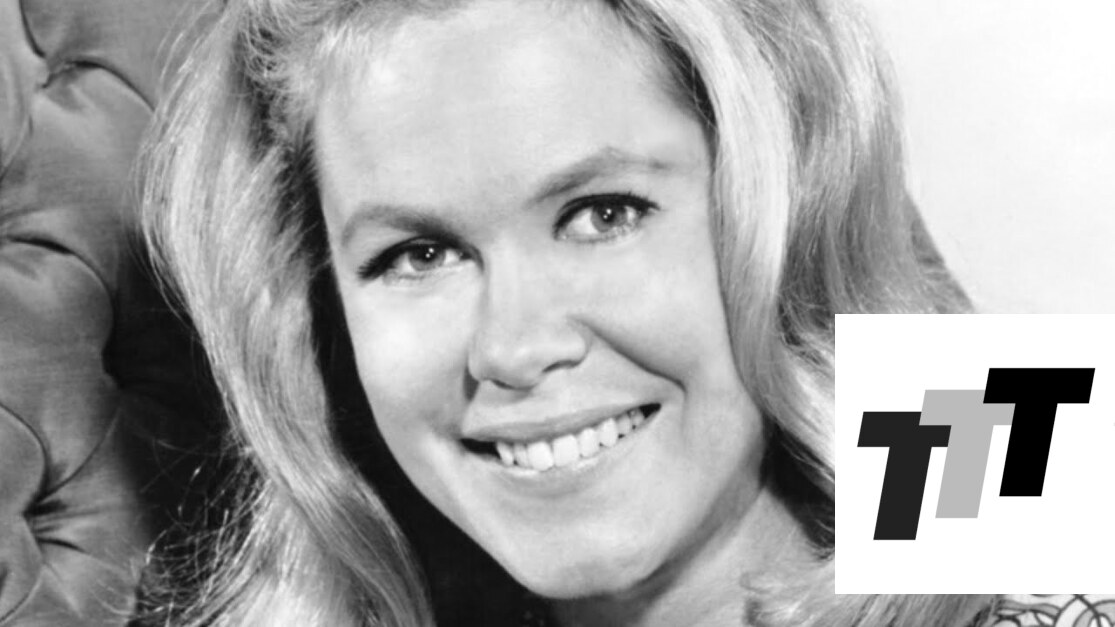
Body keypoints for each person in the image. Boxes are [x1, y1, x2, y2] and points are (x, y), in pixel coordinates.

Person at [140, 0, 995, 625]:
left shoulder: (1018, 517)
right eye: (420, 255)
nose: (513, 347)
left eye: (603, 214)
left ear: (787, 213)